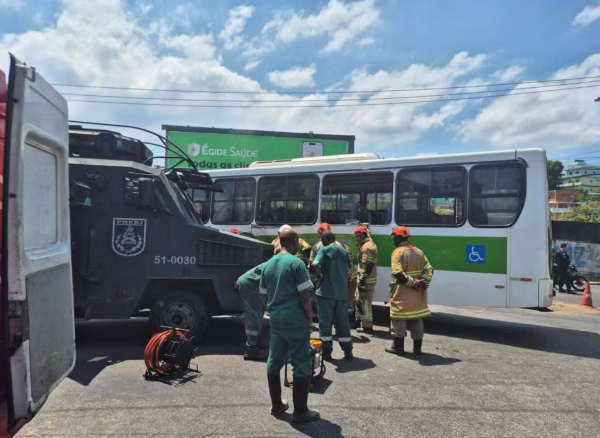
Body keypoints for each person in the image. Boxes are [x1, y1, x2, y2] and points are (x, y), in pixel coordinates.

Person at [260, 228, 320, 423]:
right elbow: (305, 296)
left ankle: (277, 405)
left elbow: (262, 293)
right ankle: (300, 412)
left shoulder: (268, 264)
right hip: (295, 320)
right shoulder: (297, 263)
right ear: (294, 241)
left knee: (273, 361)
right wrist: (309, 318)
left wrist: (270, 309)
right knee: (300, 362)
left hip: (276, 319)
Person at [385, 226, 433, 356]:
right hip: (418, 295)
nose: (393, 241)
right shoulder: (418, 251)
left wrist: (414, 283)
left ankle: (398, 348)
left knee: (398, 319)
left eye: (394, 238)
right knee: (416, 319)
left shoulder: (398, 252)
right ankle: (417, 350)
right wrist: (423, 282)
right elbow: (430, 269)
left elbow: (398, 274)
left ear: (398, 238)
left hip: (402, 293)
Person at [311, 231, 353, 361]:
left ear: (324, 239)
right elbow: (348, 266)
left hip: (326, 293)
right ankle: (348, 351)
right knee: (343, 322)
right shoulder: (343, 251)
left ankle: (327, 352)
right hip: (341, 293)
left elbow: (314, 265)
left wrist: (319, 276)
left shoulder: (324, 250)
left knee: (325, 323)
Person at [309, 223, 356, 327]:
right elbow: (349, 264)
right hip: (343, 280)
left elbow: (313, 265)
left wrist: (318, 277)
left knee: (326, 305)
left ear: (321, 236)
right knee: (344, 303)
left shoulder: (318, 247)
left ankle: (327, 328)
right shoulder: (342, 246)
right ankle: (344, 323)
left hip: (326, 282)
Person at [234, 262, 268, 361]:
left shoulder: (279, 263)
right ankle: (251, 350)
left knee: (257, 314)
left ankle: (255, 344)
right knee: (254, 315)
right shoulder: (282, 265)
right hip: (249, 284)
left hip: (251, 282)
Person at [353, 225, 378, 333]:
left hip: (367, 280)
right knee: (360, 301)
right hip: (367, 279)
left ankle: (367, 326)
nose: (356, 239)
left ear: (362, 235)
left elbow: (368, 264)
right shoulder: (368, 243)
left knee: (365, 303)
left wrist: (362, 278)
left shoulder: (366, 247)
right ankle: (360, 322)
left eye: (357, 236)